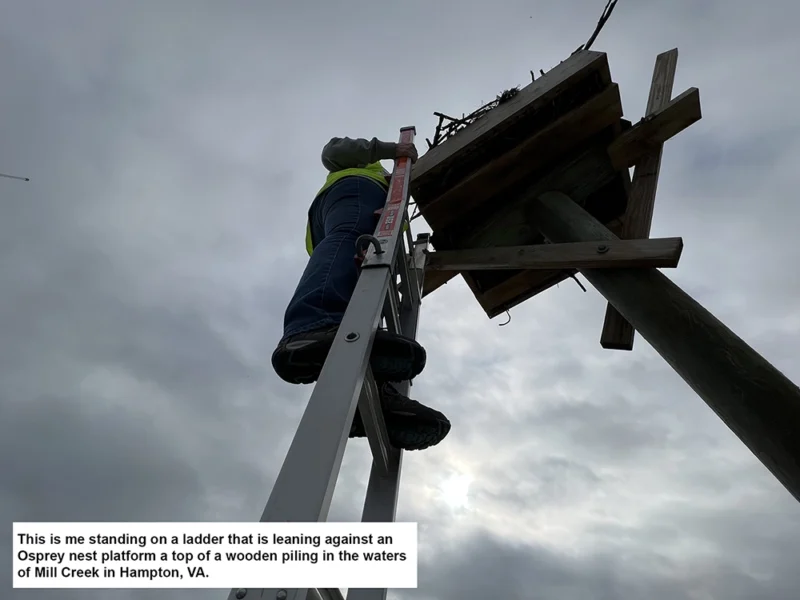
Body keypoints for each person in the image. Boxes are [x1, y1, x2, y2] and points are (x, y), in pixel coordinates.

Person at [271, 136, 451, 451]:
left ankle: (376, 396)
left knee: (364, 313)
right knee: (349, 236)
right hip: (352, 196)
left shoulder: (391, 188)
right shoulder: (365, 168)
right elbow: (333, 151)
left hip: (366, 244)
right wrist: (391, 150)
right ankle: (308, 327)